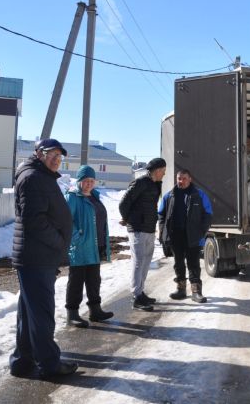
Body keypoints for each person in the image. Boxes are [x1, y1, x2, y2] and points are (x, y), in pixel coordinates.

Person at [9, 138, 78, 378]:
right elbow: (34, 221)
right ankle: (49, 364)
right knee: (42, 314)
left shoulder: (41, 176)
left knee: (29, 313)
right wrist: (59, 243)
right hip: (37, 257)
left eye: (60, 156)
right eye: (52, 154)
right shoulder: (33, 178)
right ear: (39, 153)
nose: (56, 159)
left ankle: (22, 361)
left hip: (37, 257)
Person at [64, 165, 114, 328]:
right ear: (79, 181)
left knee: (94, 280)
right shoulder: (72, 197)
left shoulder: (94, 196)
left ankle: (95, 310)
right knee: (76, 282)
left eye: (91, 181)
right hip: (79, 248)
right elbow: (65, 222)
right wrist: (76, 238)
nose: (89, 183)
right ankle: (72, 313)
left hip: (95, 246)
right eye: (85, 180)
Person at [158, 168, 213, 303]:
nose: (181, 181)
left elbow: (208, 214)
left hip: (193, 236)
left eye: (184, 178)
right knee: (178, 263)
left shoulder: (199, 195)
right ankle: (181, 289)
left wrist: (201, 231)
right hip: (175, 236)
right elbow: (161, 214)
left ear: (190, 179)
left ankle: (196, 292)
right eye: (179, 178)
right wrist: (163, 232)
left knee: (193, 264)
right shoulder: (169, 195)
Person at [119, 157, 166, 311]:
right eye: (163, 171)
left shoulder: (156, 184)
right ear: (157, 170)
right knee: (138, 262)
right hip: (138, 229)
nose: (164, 174)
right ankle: (136, 296)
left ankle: (141, 291)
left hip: (149, 228)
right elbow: (124, 203)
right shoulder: (140, 183)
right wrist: (127, 219)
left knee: (146, 262)